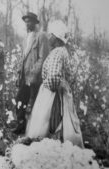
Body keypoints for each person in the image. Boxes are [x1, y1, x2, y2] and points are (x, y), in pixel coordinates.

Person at [26, 20, 84, 148]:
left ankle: (52, 149)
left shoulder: (57, 53)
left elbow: (53, 79)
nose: (48, 37)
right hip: (58, 92)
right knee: (58, 123)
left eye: (51, 35)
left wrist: (44, 86)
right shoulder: (61, 51)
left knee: (51, 122)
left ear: (56, 37)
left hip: (52, 95)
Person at [13, 12, 50, 134]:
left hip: (34, 78)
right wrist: (20, 74)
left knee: (33, 102)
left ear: (35, 23)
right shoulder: (26, 38)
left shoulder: (41, 36)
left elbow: (42, 58)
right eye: (26, 21)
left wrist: (33, 75)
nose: (27, 23)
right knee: (20, 99)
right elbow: (23, 59)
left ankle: (33, 131)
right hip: (24, 77)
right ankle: (21, 125)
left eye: (30, 21)